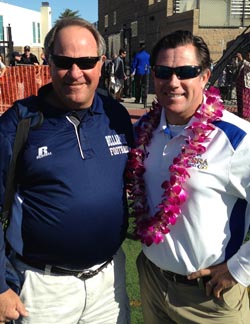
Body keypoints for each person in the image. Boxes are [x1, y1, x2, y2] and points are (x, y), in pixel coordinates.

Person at [0, 17, 133, 324]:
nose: (75, 73)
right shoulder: (19, 122)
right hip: (43, 291)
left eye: (86, 61)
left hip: (108, 283)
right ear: (48, 62)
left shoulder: (116, 115)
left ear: (101, 63)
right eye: (64, 61)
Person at [127, 30, 250, 323]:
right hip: (153, 283)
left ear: (205, 76)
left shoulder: (235, 138)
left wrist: (239, 268)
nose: (173, 82)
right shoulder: (143, 131)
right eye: (164, 72)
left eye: (185, 72)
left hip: (209, 297)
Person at [235, 51, 250, 118]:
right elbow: (237, 66)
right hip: (240, 84)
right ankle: (240, 113)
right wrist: (237, 60)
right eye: (248, 55)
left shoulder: (246, 63)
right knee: (240, 99)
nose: (248, 56)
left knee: (246, 100)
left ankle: (246, 114)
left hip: (247, 84)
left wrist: (242, 59)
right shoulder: (244, 63)